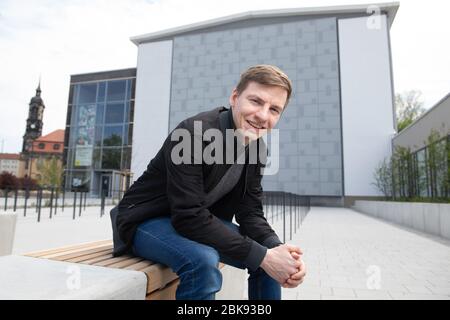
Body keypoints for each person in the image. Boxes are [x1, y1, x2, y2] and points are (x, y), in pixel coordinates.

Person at [111, 65, 306, 300]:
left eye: (274, 109)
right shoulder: (192, 134)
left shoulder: (257, 147)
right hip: (144, 221)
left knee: (269, 262)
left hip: (194, 220)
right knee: (203, 261)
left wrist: (280, 251)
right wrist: (264, 256)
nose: (263, 115)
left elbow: (250, 212)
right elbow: (188, 216)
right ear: (235, 97)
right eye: (256, 101)